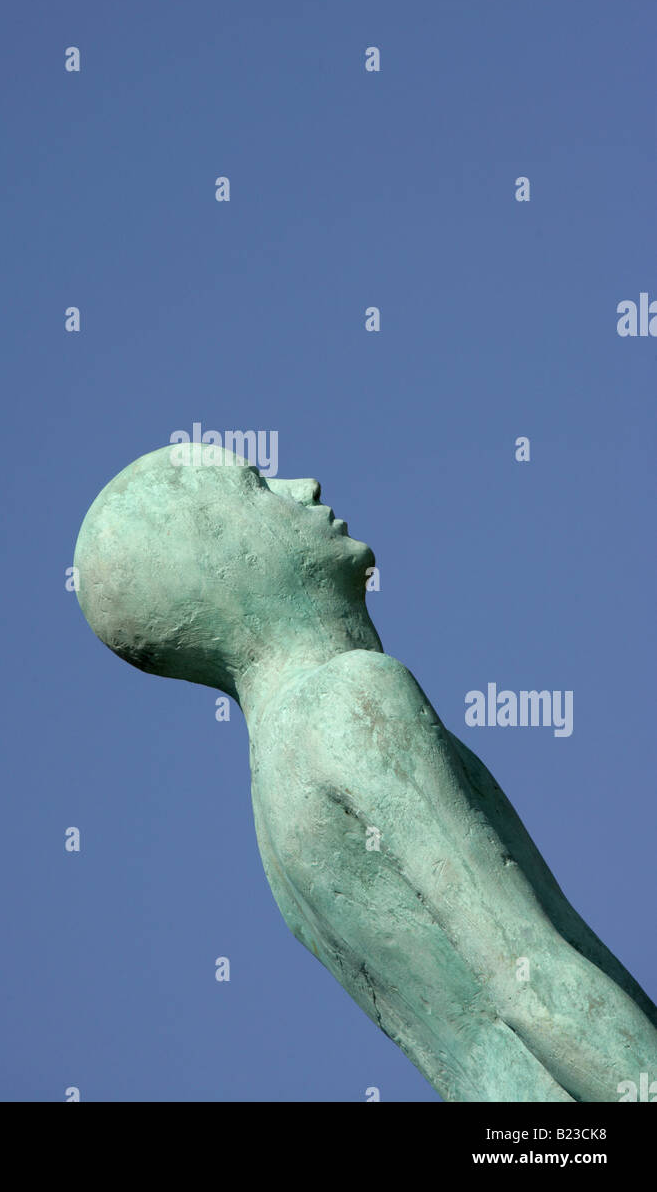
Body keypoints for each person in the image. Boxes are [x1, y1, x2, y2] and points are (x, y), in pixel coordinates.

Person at [74, 442, 657, 1101]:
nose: (305, 486)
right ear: (212, 556)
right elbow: (530, 978)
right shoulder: (350, 699)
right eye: (258, 485)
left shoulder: (272, 793)